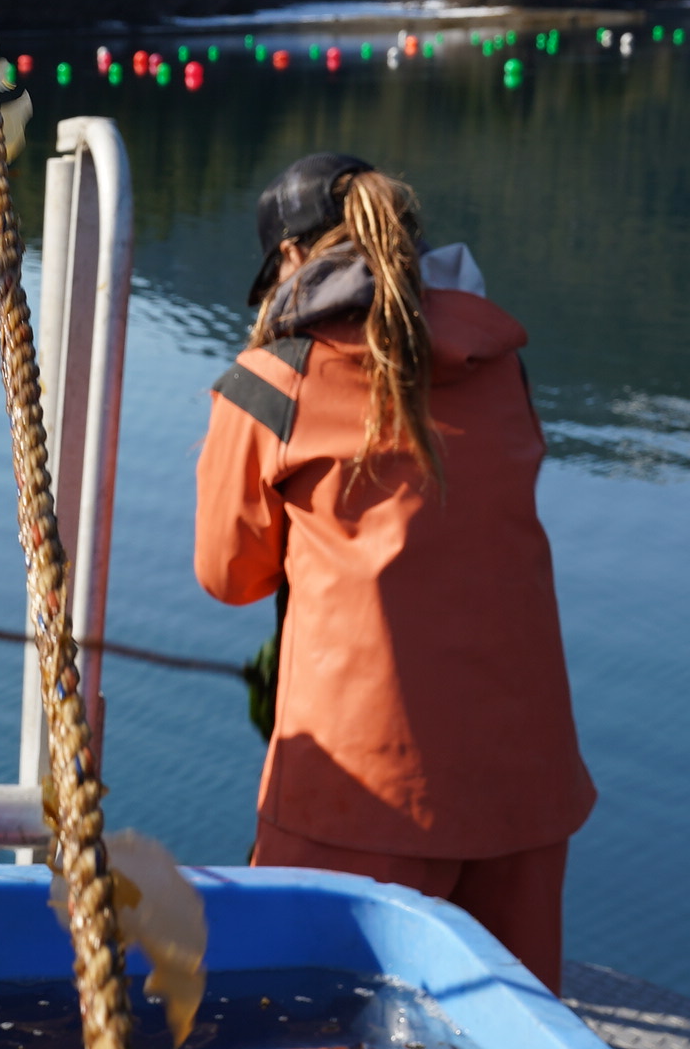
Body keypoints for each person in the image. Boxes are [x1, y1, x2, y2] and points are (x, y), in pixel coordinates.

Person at [194, 153, 594, 992]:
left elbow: (228, 574)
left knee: (298, 1014)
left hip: (358, 794)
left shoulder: (272, 384)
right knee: (503, 1023)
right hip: (525, 785)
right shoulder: (500, 361)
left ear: (290, 265)